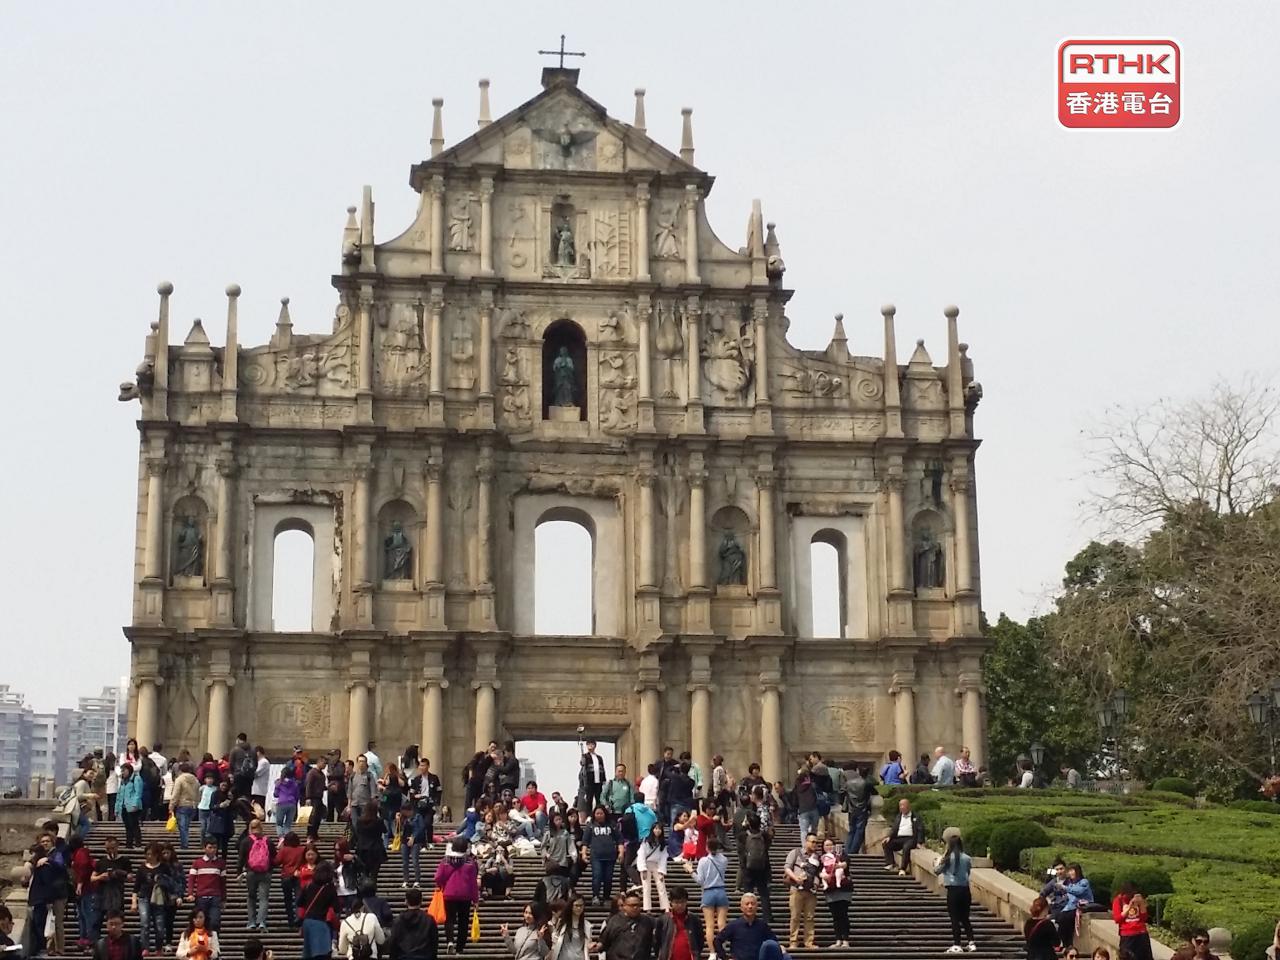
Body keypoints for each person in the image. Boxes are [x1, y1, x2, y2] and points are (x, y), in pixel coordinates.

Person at [25, 831, 68, 957]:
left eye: (47, 841)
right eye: (42, 842)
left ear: (52, 842)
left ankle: (59, 948)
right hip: (48, 894)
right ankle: (51, 948)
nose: (45, 843)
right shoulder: (40, 856)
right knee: (50, 922)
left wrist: (48, 859)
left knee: (56, 922)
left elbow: (60, 865)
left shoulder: (56, 854)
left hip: (58, 894)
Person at [434, 837, 479, 956]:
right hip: (465, 895)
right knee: (463, 922)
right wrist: (476, 899)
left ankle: (450, 941)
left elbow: (438, 877)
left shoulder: (446, 861)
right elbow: (473, 882)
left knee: (449, 919)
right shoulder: (470, 862)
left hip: (449, 894)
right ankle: (460, 948)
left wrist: (442, 885)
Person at [933, 835, 976, 953]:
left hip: (953, 890)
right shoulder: (967, 858)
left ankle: (957, 943)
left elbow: (937, 871)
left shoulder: (947, 858)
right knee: (965, 917)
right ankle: (971, 942)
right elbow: (967, 871)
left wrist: (937, 862)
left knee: (955, 918)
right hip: (965, 890)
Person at [713, 893, 785, 960]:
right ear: (741, 907)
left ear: (757, 907)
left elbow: (774, 942)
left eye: (752, 904)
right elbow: (717, 941)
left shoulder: (762, 926)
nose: (750, 906)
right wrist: (725, 958)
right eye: (747, 904)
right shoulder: (734, 925)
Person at [688, 836, 729, 944]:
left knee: (709, 925)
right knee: (722, 925)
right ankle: (722, 951)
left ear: (707, 847)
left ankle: (712, 952)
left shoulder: (703, 861)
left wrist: (691, 871)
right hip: (721, 891)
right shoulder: (724, 860)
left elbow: (700, 881)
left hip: (708, 892)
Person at [237, 818, 276, 932]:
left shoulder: (246, 841)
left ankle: (251, 922)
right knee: (264, 898)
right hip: (265, 872)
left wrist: (239, 872)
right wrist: (270, 869)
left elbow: (241, 858)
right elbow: (274, 857)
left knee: (251, 897)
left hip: (251, 872)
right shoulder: (268, 841)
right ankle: (262, 922)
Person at [783, 832, 819, 950]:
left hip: (811, 891)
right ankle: (793, 941)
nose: (815, 844)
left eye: (816, 842)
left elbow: (819, 872)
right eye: (812, 842)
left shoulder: (817, 857)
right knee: (795, 916)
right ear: (806, 841)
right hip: (796, 889)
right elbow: (787, 867)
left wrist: (817, 883)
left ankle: (809, 941)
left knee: (810, 917)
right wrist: (795, 878)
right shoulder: (796, 853)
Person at [595, 892, 654, 960]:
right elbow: (604, 941)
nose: (635, 907)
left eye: (638, 905)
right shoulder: (614, 921)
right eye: (632, 905)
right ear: (625, 906)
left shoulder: (647, 922)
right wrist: (596, 946)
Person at [186, 838, 227, 934]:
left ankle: (214, 942)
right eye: (210, 847)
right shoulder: (197, 863)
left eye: (215, 847)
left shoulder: (221, 863)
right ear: (204, 848)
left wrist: (224, 899)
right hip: (201, 897)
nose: (212, 850)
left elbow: (223, 883)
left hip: (215, 897)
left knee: (215, 921)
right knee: (201, 921)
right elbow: (192, 879)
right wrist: (190, 893)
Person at [299, 861, 338, 960]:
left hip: (307, 922)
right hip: (321, 923)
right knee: (322, 954)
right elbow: (336, 907)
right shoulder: (330, 888)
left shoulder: (308, 886)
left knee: (309, 953)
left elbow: (299, 903)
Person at [737, 813, 772, 924]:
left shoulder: (743, 835)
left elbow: (740, 851)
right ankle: (767, 915)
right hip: (762, 867)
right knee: (764, 893)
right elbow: (767, 847)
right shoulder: (764, 835)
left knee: (748, 892)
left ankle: (746, 913)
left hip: (748, 867)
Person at [653, 885, 704, 960]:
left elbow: (700, 941)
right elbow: (657, 942)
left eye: (682, 902)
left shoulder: (695, 920)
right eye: (676, 902)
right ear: (671, 902)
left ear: (686, 902)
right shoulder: (663, 920)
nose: (680, 905)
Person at [820, 838, 853, 949]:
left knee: (843, 913)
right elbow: (819, 871)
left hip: (843, 889)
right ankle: (838, 939)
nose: (828, 847)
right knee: (835, 916)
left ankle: (846, 940)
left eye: (830, 845)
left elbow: (846, 863)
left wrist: (837, 865)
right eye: (826, 845)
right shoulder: (822, 858)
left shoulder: (840, 854)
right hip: (830, 889)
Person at [586, 806, 623, 906]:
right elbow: (585, 842)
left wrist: (621, 852)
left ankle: (606, 897)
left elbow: (619, 839)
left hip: (610, 856)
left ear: (605, 814)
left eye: (601, 813)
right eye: (597, 813)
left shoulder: (612, 825)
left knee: (608, 877)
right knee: (597, 876)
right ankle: (596, 896)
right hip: (596, 856)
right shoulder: (590, 826)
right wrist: (584, 854)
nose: (599, 815)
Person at [387, 887, 438, 960]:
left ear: (406, 901)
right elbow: (434, 942)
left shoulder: (398, 920)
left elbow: (393, 942)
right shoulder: (429, 920)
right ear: (421, 901)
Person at [882, 798, 924, 876]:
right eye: (900, 806)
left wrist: (919, 842)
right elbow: (894, 829)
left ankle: (902, 869)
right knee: (886, 844)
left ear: (908, 806)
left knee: (906, 848)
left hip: (910, 838)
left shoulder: (916, 817)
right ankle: (890, 863)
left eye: (903, 805)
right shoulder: (898, 817)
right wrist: (889, 837)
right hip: (899, 838)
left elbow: (920, 829)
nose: (901, 807)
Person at [1112, 883, 1154, 960]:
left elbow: (1144, 918)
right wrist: (1129, 907)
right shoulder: (1118, 900)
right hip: (1127, 935)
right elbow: (1117, 919)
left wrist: (1141, 904)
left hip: (1141, 933)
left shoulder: (1138, 899)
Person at [635, 823, 670, 913]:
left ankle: (666, 907)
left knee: (661, 885)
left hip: (657, 865)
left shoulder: (663, 843)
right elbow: (641, 854)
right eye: (655, 828)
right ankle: (647, 908)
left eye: (659, 829)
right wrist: (643, 869)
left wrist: (661, 871)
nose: (657, 831)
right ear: (652, 830)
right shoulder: (646, 841)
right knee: (646, 887)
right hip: (646, 864)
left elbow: (663, 857)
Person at [842, 764, 875, 854]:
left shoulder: (849, 783)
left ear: (858, 771)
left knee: (851, 830)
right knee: (859, 831)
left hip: (851, 809)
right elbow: (875, 792)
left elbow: (842, 791)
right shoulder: (867, 783)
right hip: (862, 809)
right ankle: (853, 851)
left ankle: (847, 850)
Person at [276, 832, 306, 931]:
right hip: (298, 875)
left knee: (288, 900)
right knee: (299, 898)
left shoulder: (284, 850)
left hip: (286, 876)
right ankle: (299, 917)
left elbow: (276, 862)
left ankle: (291, 920)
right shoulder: (302, 849)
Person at [550, 894, 592, 960]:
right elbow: (555, 939)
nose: (579, 908)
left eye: (581, 906)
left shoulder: (587, 926)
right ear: (571, 906)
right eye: (576, 905)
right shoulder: (562, 922)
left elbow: (587, 945)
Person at [116, 764, 145, 847]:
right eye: (122, 771)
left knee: (134, 825)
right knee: (127, 826)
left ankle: (138, 843)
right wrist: (117, 808)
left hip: (133, 806)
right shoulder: (122, 781)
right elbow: (119, 794)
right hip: (124, 806)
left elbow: (138, 793)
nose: (123, 772)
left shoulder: (136, 778)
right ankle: (129, 843)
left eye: (124, 770)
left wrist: (135, 804)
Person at [348, 756, 379, 821]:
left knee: (363, 824)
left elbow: (373, 792)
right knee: (354, 824)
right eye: (360, 761)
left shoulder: (369, 776)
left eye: (363, 761)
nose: (361, 763)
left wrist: (373, 806)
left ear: (366, 763)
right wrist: (349, 806)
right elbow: (350, 792)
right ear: (357, 763)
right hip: (354, 805)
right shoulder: (353, 776)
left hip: (365, 805)